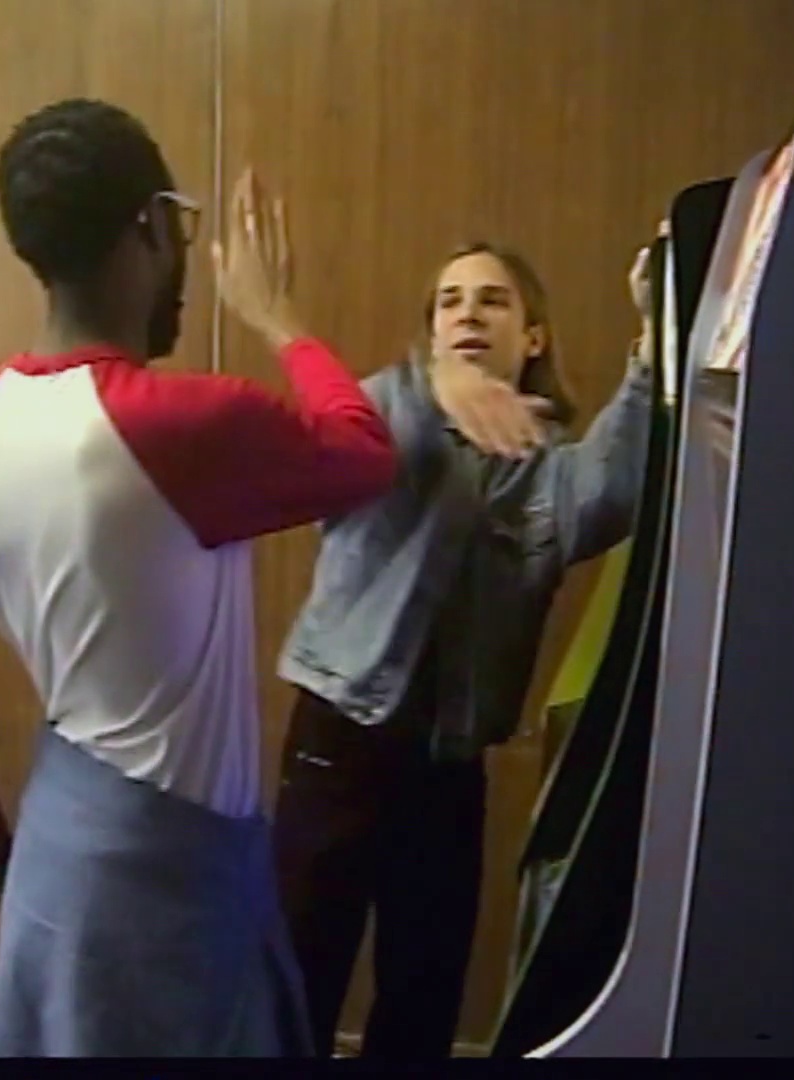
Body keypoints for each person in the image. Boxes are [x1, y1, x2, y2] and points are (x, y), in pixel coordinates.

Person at [0, 98, 400, 1057]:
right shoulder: (186, 422)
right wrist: (280, 319)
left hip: (58, 843)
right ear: (154, 227)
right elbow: (364, 455)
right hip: (169, 878)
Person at [269, 239, 657, 1058]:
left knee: (424, 995)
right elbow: (356, 438)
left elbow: (616, 487)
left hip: (447, 767)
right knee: (296, 979)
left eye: (492, 299)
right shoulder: (381, 407)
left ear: (533, 337)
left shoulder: (549, 472)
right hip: (338, 745)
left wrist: (654, 337)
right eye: (450, 302)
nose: (469, 313)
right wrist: (436, 381)